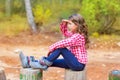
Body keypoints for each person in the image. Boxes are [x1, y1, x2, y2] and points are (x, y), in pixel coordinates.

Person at [19, 13, 89, 71]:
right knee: (51, 61)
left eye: (70, 24)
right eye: (68, 24)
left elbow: (64, 43)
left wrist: (52, 48)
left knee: (61, 48)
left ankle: (43, 64)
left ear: (77, 25)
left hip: (78, 64)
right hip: (73, 61)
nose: (68, 26)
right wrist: (64, 24)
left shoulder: (78, 37)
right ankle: (28, 63)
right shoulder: (75, 34)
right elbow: (65, 33)